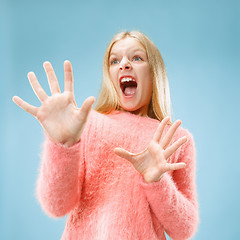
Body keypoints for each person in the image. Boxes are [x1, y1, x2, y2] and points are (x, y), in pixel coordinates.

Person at [12, 31, 199, 240]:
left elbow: (184, 230)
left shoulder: (176, 139)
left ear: (154, 71)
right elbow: (56, 206)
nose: (124, 64)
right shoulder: (86, 124)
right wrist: (63, 145)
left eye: (137, 58)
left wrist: (157, 181)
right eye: (114, 60)